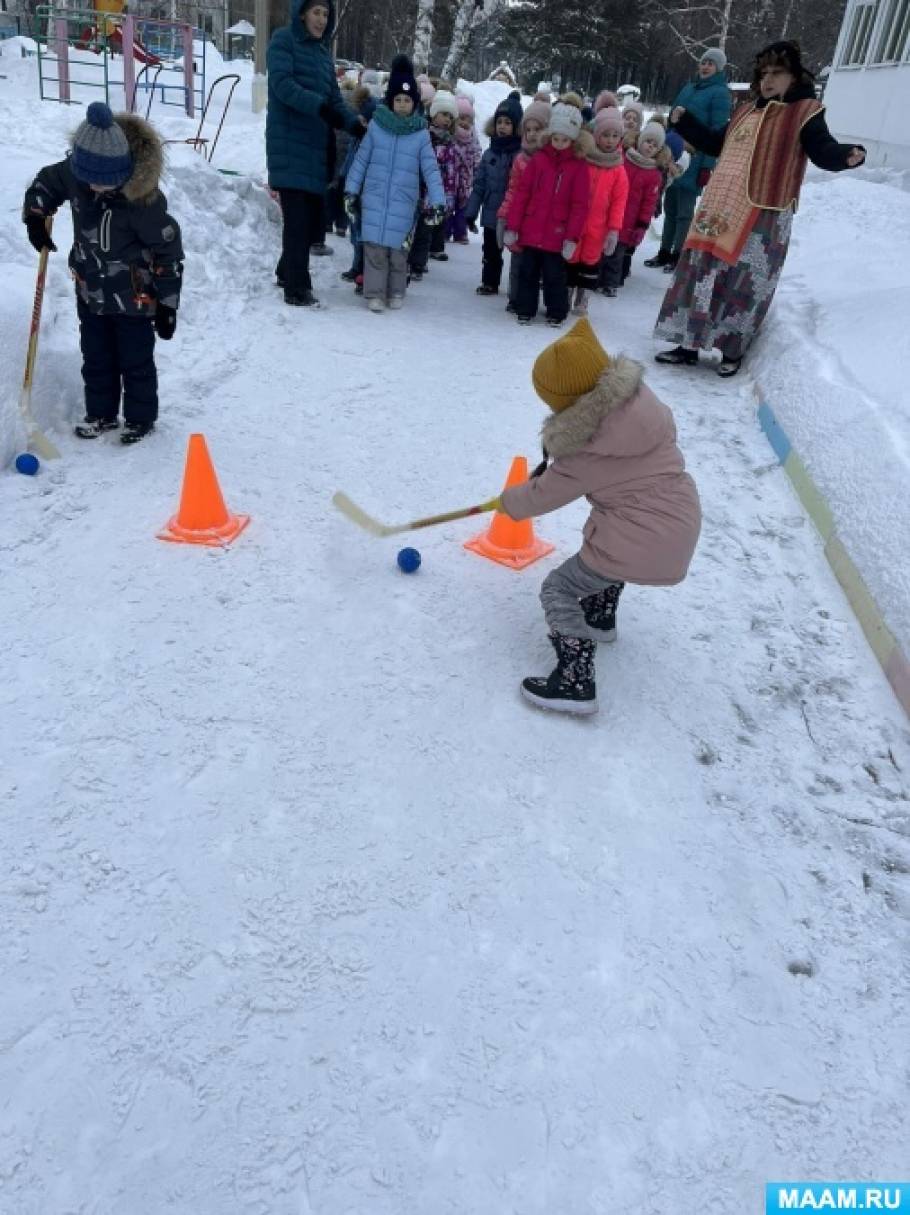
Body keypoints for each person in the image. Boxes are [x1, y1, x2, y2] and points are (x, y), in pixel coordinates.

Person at [498, 317, 701, 715]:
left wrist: (508, 502)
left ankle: (575, 680)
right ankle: (600, 618)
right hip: (679, 519)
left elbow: (543, 495)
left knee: (558, 588)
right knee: (610, 555)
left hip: (638, 537)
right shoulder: (645, 410)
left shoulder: (589, 448)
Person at [655, 40, 866, 376]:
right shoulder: (746, 109)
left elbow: (822, 148)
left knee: (745, 279)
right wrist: (686, 123)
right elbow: (715, 142)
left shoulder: (806, 111)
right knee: (701, 270)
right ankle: (687, 343)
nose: (768, 80)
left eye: (777, 73)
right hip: (720, 204)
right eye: (764, 73)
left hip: (764, 210)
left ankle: (729, 350)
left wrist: (845, 155)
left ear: (794, 77)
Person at [22, 102, 182, 445]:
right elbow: (46, 183)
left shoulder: (145, 203)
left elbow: (168, 253)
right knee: (96, 358)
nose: (93, 187)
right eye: (88, 179)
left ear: (121, 170)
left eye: (102, 181)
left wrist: (168, 305)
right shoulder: (77, 173)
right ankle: (101, 414)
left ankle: (140, 419)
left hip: (134, 300)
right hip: (90, 292)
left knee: (135, 363)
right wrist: (36, 216)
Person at [266, 0, 363, 307]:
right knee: (297, 221)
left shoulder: (322, 55)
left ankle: (285, 270)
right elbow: (282, 85)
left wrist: (353, 123)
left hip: (316, 148)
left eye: (325, 13)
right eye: (316, 12)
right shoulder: (284, 40)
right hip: (289, 143)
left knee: (312, 224)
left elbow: (334, 99)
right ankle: (296, 287)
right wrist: (318, 107)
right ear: (302, 13)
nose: (321, 19)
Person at [344, 55, 444, 313]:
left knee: (399, 250)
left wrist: (438, 200)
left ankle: (396, 290)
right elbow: (361, 160)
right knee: (375, 248)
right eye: (397, 100)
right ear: (390, 101)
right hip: (375, 196)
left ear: (414, 104)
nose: (402, 105)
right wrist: (351, 190)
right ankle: (375, 293)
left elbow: (431, 169)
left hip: (403, 199)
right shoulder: (377, 127)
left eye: (407, 100)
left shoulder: (420, 134)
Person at [504, 101, 590, 327]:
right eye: (556, 138)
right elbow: (522, 193)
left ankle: (556, 311)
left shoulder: (579, 167)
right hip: (531, 230)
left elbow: (580, 205)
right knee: (527, 273)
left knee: (555, 277)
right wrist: (513, 226)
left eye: (565, 140)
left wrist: (572, 237)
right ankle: (525, 308)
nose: (559, 144)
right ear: (550, 135)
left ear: (573, 140)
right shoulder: (539, 160)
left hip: (557, 233)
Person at [644, 48, 731, 273]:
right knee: (671, 208)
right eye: (703, 62)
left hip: (697, 158)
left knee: (684, 212)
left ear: (719, 68)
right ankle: (664, 251)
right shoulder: (688, 87)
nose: (705, 66)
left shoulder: (720, 93)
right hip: (674, 155)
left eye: (711, 64)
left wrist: (707, 166)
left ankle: (678, 255)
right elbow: (673, 120)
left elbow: (717, 133)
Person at [566, 106, 629, 315]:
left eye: (615, 136)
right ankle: (565, 292)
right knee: (571, 258)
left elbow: (619, 202)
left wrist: (613, 229)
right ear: (596, 135)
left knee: (590, 261)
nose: (610, 140)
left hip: (598, 227)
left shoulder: (619, 170)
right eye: (605, 135)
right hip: (576, 223)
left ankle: (583, 296)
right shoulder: (584, 160)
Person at [497, 93, 551, 313]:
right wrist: (504, 215)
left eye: (537, 129)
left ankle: (533, 300)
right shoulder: (520, 160)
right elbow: (513, 190)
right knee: (517, 261)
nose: (531, 134)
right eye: (527, 130)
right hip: (521, 219)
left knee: (537, 266)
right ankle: (514, 297)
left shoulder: (551, 162)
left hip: (543, 223)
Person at [465, 91, 523, 295]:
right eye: (500, 122)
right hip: (491, 212)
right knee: (490, 251)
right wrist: (471, 212)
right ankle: (490, 282)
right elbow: (479, 185)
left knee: (517, 252)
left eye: (508, 122)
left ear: (516, 126)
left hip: (514, 215)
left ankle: (519, 289)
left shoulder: (521, 155)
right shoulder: (490, 154)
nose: (503, 126)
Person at [599, 120, 664, 295]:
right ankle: (596, 278)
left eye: (655, 145)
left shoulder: (654, 174)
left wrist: (642, 225)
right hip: (609, 214)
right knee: (601, 248)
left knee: (617, 254)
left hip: (629, 221)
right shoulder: (623, 159)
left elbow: (649, 203)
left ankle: (610, 283)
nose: (650, 146)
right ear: (639, 140)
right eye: (648, 141)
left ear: (659, 150)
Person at [426, 90, 471, 262]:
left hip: (447, 185)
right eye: (444, 114)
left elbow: (455, 163)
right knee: (426, 220)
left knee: (440, 218)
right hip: (429, 186)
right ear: (434, 113)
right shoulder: (427, 136)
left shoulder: (450, 139)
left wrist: (455, 185)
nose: (447, 119)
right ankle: (422, 252)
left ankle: (437, 247)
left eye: (450, 117)